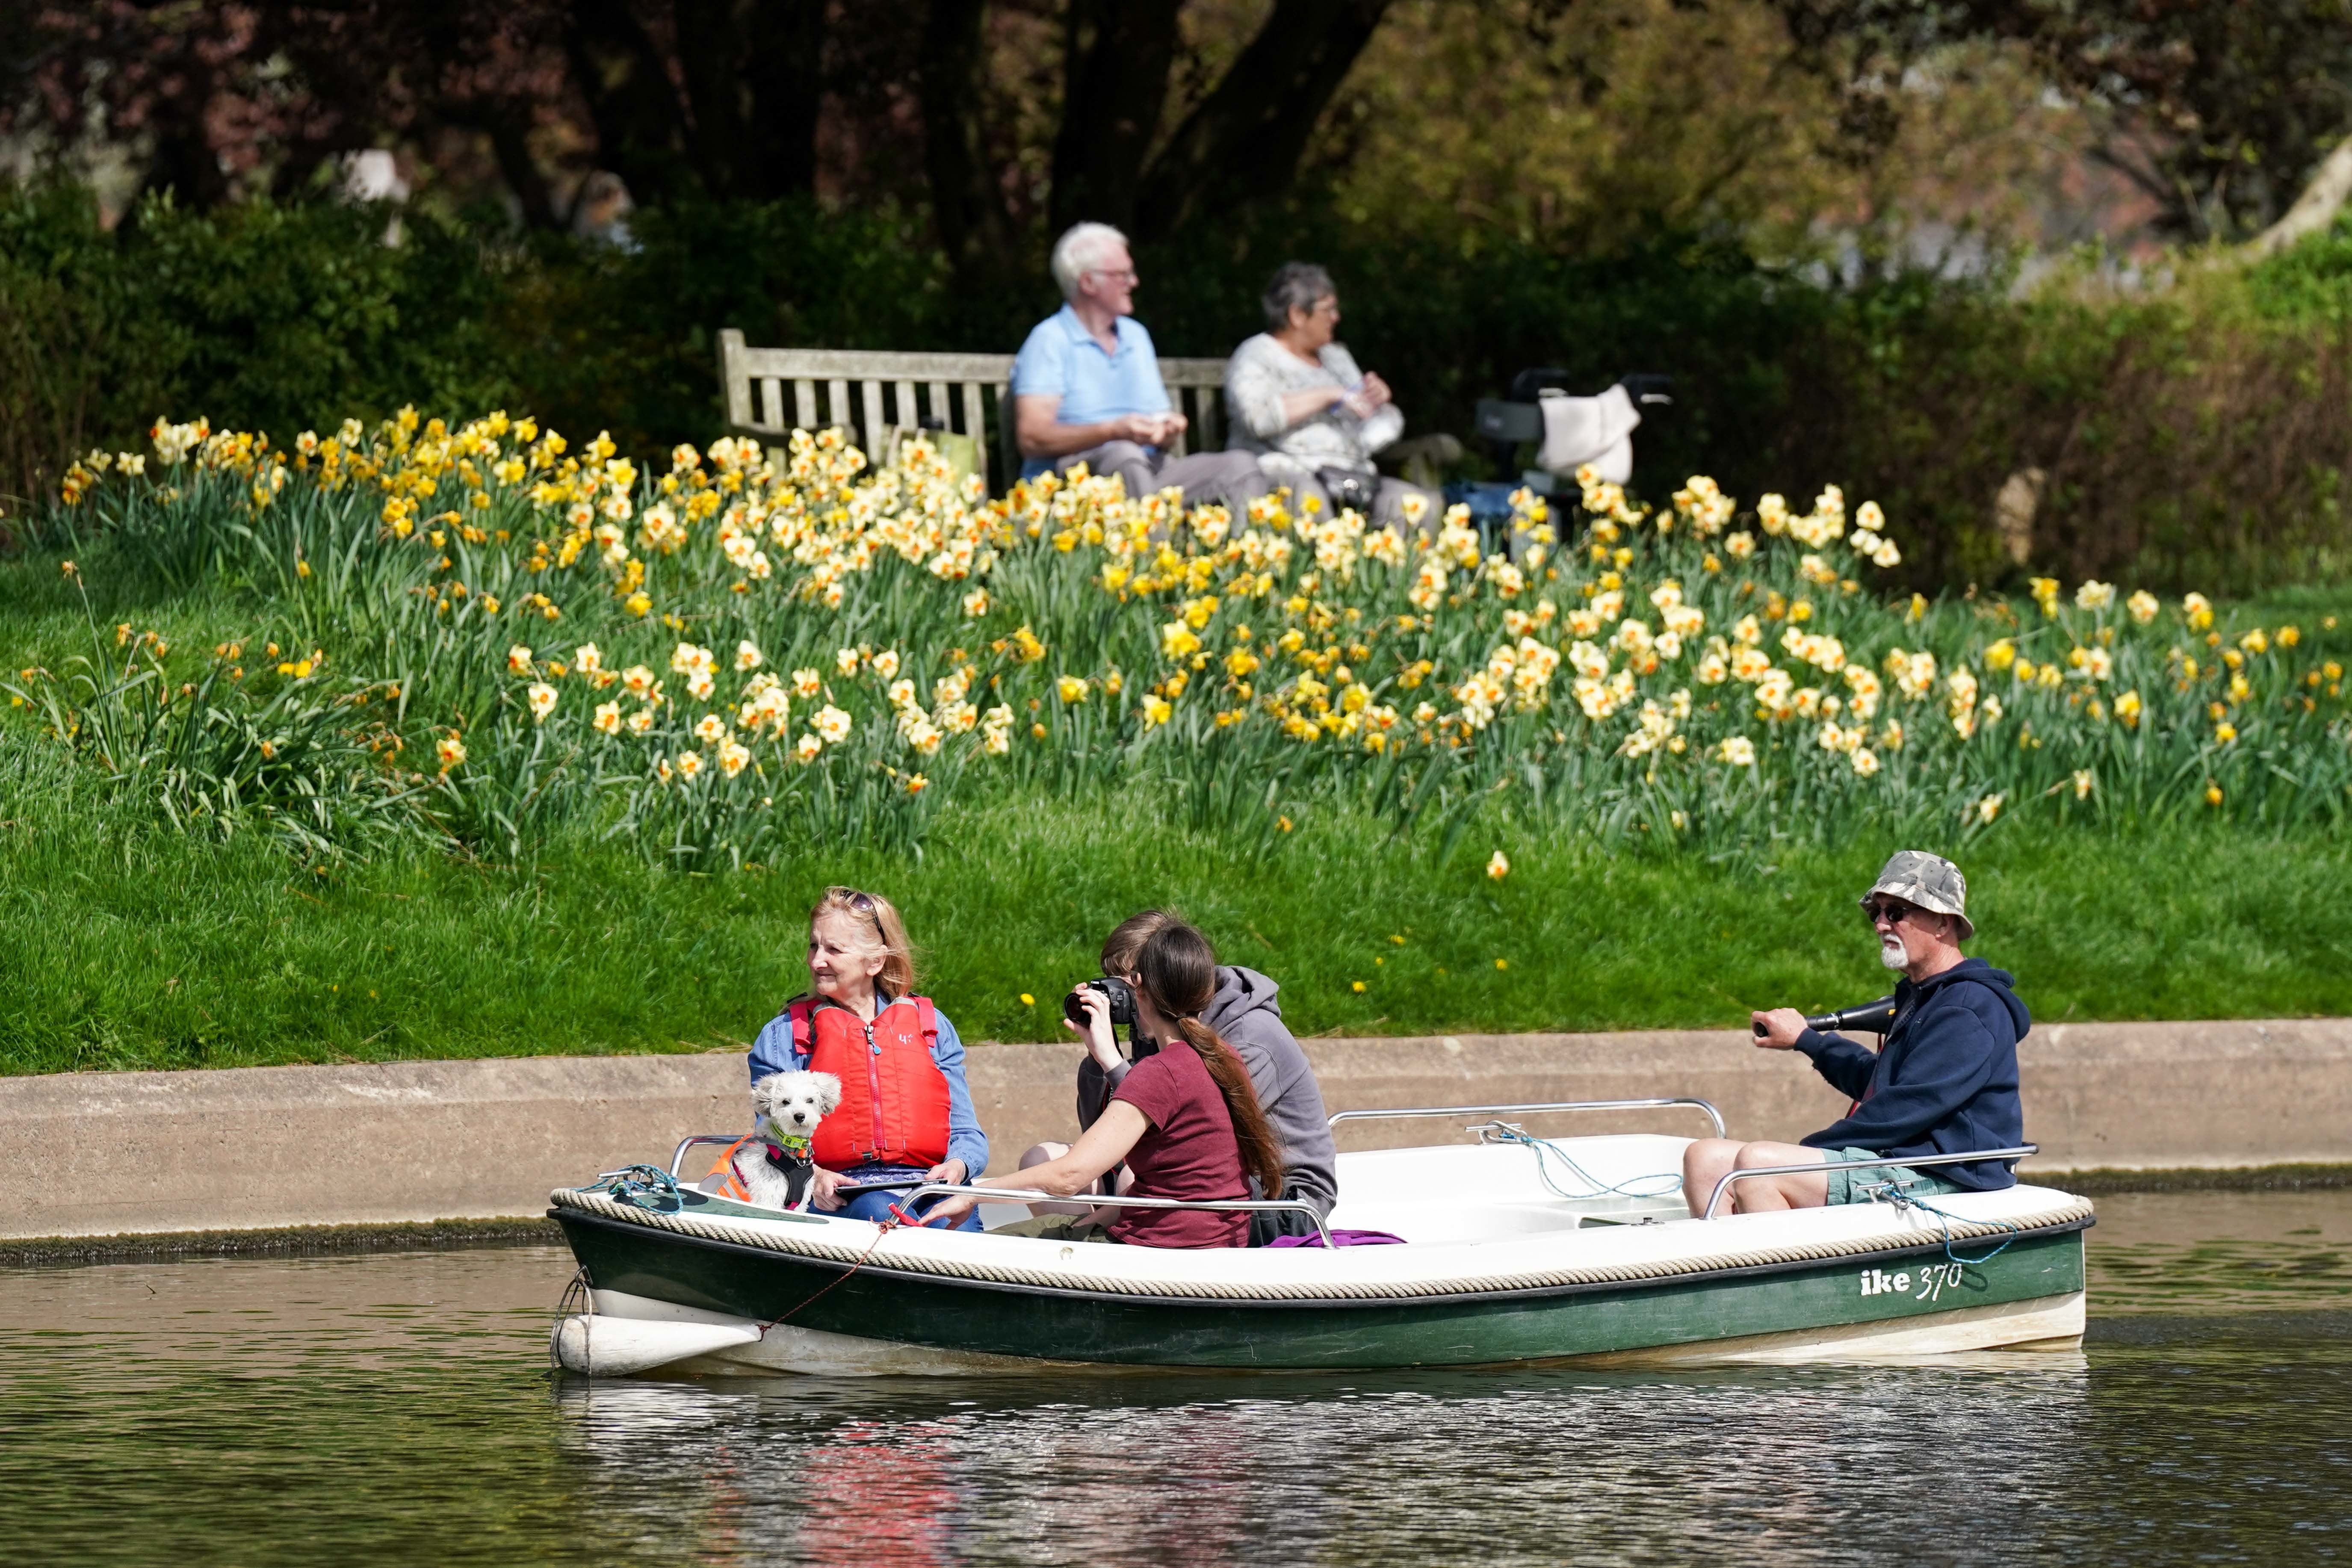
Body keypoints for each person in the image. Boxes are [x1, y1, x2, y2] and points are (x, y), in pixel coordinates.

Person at [1681, 850, 2028, 1217]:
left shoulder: (1969, 1008)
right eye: (1875, 913)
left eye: (1896, 913)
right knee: (1705, 1159)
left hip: (1947, 1174)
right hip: (1900, 1158)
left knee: (1759, 1166)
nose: (1881, 924)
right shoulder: (1923, 996)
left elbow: (1907, 1107)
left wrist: (1812, 1151)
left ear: (1942, 922)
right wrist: (1807, 1040)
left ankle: (1794, 1274)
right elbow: (1884, 1084)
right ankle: (1732, 1272)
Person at [927, 919, 1284, 1248]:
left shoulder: (1160, 1072)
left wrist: (974, 1193)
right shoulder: (1224, 1057)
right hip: (1220, 1241)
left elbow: (1070, 1175)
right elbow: (1178, 1178)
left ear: (1139, 988)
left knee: (982, 1247)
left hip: (1158, 1247)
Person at [1021, 909, 1336, 1246]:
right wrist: (1099, 1054)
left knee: (1134, 1176)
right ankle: (1086, 1254)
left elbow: (1186, 1141)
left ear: (1166, 971)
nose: (1124, 992)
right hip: (1186, 1181)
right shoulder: (1156, 1022)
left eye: (1129, 980)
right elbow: (1102, 1135)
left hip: (1282, 1199)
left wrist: (1115, 1062)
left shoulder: (1247, 1036)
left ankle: (1098, 1247)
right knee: (1039, 1162)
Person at [735, 887, 989, 1230]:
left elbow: (966, 1131)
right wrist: (817, 1174)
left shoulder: (931, 1026)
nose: (816, 960)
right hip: (844, 1192)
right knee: (884, 1214)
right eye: (814, 945)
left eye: (833, 950)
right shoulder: (783, 1036)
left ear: (875, 961)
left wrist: (959, 1165)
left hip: (932, 1187)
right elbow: (773, 1136)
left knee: (953, 1229)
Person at [1011, 221, 1267, 508]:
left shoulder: (1136, 336)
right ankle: (1150, 553)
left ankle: (1249, 554)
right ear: (1088, 283)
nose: (1134, 282)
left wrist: (1165, 429)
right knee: (1124, 455)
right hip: (1073, 484)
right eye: (1122, 274)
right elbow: (1032, 438)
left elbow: (1155, 427)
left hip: (1147, 469)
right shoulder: (1050, 340)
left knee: (1239, 466)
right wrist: (1113, 431)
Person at [1223, 261, 1439, 529]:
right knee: (1309, 500)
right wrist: (1328, 396)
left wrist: (1380, 406)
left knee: (1418, 506)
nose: (1336, 317)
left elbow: (1375, 432)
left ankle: (1399, 573)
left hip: (1351, 480)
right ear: (1297, 315)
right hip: (1288, 473)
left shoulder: (1335, 357)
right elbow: (1257, 418)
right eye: (1328, 310)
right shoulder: (1256, 355)